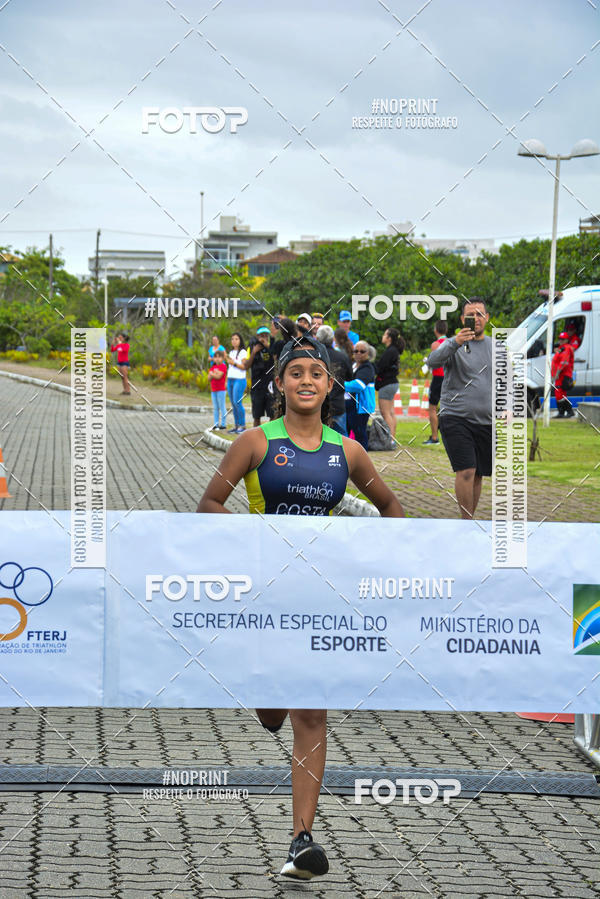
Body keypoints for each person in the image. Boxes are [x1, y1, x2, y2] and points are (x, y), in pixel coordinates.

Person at [197, 334, 403, 880]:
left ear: (329, 384)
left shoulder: (347, 450)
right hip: (266, 595)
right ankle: (269, 698)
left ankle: (302, 841)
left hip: (320, 596)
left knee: (312, 712)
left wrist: (378, 558)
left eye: (316, 372)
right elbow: (209, 503)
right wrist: (256, 539)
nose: (307, 380)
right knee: (271, 713)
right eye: (296, 373)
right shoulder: (254, 442)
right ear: (280, 384)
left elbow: (391, 507)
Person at [426, 298, 492, 520]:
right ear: (463, 319)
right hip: (455, 417)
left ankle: (469, 521)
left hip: (486, 420)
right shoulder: (454, 344)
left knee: (478, 474)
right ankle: (466, 522)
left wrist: (508, 407)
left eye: (480, 314)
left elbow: (507, 381)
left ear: (487, 318)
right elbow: (432, 361)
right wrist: (454, 341)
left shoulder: (496, 347)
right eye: (471, 315)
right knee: (466, 470)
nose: (476, 319)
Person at [316, 324, 353, 435]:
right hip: (338, 404)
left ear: (317, 339)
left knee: (317, 439)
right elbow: (350, 377)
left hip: (318, 405)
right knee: (341, 440)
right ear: (332, 339)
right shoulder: (342, 357)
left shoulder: (314, 357)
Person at [345, 340, 376, 450]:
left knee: (360, 433)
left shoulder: (367, 368)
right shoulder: (353, 365)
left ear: (368, 353)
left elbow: (358, 385)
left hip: (361, 407)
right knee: (347, 433)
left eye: (362, 351)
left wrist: (340, 384)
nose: (358, 353)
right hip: (350, 405)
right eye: (356, 351)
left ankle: (363, 458)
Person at [243, 326, 276, 427]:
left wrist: (268, 347)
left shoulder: (273, 346)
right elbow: (246, 366)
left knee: (272, 414)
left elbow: (277, 361)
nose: (264, 337)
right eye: (261, 335)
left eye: (266, 335)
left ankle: (271, 435)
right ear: (257, 336)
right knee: (257, 415)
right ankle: (256, 437)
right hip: (257, 385)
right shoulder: (251, 347)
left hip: (270, 385)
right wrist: (254, 352)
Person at [375, 327, 405, 437]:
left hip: (387, 384)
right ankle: (392, 437)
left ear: (389, 338)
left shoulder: (390, 351)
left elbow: (380, 367)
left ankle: (390, 438)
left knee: (385, 413)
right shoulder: (394, 350)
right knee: (391, 412)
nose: (382, 337)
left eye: (384, 335)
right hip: (393, 383)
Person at [424, 320, 448, 445]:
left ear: (435, 330)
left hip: (438, 377)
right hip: (449, 377)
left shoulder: (436, 344)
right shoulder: (451, 342)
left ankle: (434, 437)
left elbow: (432, 362)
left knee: (432, 408)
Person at [225, 332, 248, 434]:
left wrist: (233, 363)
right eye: (232, 339)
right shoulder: (231, 352)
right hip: (230, 379)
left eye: (236, 339)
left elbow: (244, 367)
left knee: (237, 402)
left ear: (240, 340)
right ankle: (236, 425)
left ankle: (242, 425)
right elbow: (230, 368)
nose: (234, 341)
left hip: (239, 380)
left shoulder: (243, 352)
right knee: (233, 404)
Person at [552, 331, 575, 418]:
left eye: (563, 339)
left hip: (563, 374)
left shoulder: (566, 348)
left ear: (566, 340)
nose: (561, 341)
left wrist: (557, 372)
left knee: (560, 393)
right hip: (559, 375)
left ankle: (569, 411)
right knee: (559, 393)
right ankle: (561, 412)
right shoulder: (561, 348)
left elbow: (564, 362)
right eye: (560, 339)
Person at [208, 349, 227, 429]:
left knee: (222, 407)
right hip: (214, 390)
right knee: (215, 408)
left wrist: (213, 374)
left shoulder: (223, 366)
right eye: (215, 357)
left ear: (222, 358)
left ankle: (223, 424)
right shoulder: (213, 367)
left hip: (221, 390)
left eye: (219, 357)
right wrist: (213, 374)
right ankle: (216, 424)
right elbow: (209, 378)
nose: (217, 359)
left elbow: (218, 376)